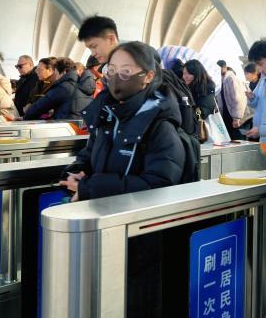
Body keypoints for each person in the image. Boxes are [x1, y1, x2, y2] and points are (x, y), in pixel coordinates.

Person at [59, 42, 187, 317]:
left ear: (148, 76)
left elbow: (159, 185)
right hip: (105, 225)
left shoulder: (160, 125)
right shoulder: (107, 112)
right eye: (112, 70)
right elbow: (90, 152)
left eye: (127, 71)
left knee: (136, 302)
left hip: (142, 239)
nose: (117, 78)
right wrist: (77, 171)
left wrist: (90, 187)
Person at [24, 57, 92, 120]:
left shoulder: (64, 87)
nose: (56, 78)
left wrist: (25, 117)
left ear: (64, 72)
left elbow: (40, 106)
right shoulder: (82, 84)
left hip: (66, 125)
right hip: (80, 125)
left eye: (56, 74)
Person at [217, 60, 252, 140]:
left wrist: (237, 117)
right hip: (228, 115)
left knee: (238, 139)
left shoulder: (231, 79)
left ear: (225, 67)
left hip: (237, 116)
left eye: (220, 68)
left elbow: (239, 99)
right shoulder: (221, 80)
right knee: (233, 140)